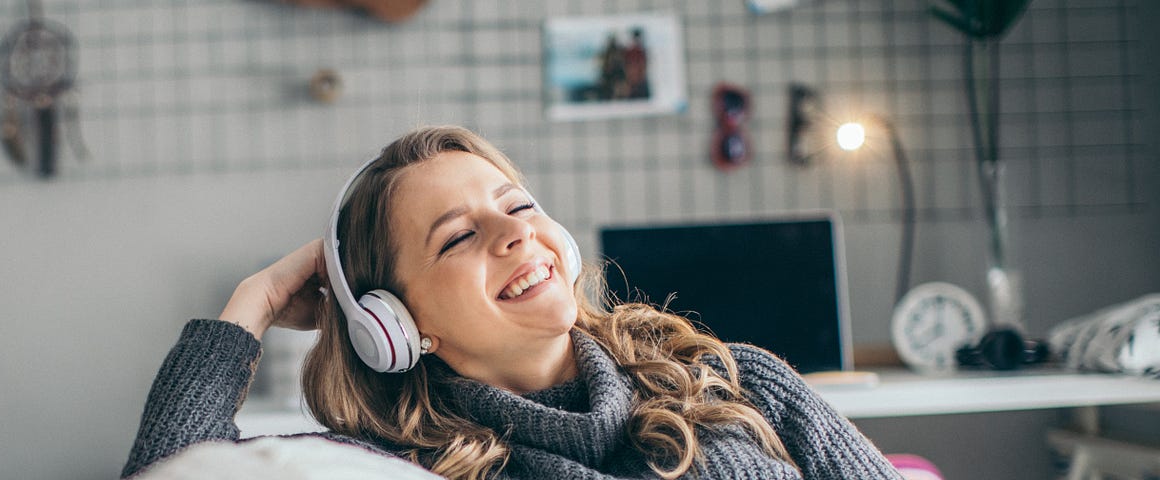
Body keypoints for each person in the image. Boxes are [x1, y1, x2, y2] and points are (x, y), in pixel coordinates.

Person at [122, 126, 901, 479]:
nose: (513, 234)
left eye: (518, 206)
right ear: (394, 327)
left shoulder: (739, 384)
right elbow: (176, 475)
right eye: (458, 237)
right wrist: (249, 306)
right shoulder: (398, 468)